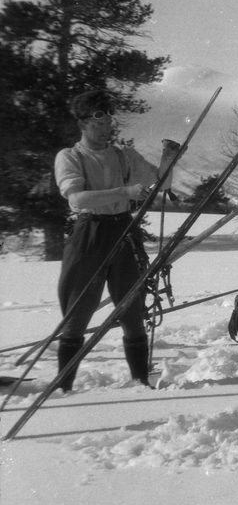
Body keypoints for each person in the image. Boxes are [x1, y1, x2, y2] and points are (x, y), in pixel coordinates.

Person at [54, 89, 181, 390]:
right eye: (98, 123)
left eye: (109, 122)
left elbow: (160, 182)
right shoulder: (70, 157)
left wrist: (169, 157)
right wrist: (122, 193)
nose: (105, 129)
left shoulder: (123, 155)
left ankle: (140, 381)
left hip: (123, 233)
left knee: (132, 308)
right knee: (77, 312)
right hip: (89, 233)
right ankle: (63, 388)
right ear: (83, 123)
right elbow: (77, 200)